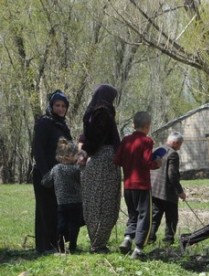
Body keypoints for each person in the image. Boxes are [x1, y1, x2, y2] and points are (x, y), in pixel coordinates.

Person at [114, 111, 162, 259]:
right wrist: (157, 163)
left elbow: (117, 160)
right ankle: (139, 248)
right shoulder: (147, 141)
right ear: (147, 126)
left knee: (132, 214)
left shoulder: (126, 140)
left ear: (133, 124)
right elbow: (147, 162)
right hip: (142, 186)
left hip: (128, 185)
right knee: (144, 216)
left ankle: (128, 238)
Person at [81, 84, 121, 253]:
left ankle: (96, 241)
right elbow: (96, 137)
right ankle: (99, 243)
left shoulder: (91, 113)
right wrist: (88, 148)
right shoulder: (103, 113)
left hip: (94, 161)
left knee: (94, 200)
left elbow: (88, 136)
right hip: (105, 161)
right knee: (105, 202)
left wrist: (85, 150)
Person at [32, 90, 72, 253]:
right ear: (51, 106)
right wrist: (46, 174)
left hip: (60, 174)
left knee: (56, 210)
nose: (60, 109)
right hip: (44, 173)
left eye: (63, 106)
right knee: (45, 210)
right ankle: (45, 246)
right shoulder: (45, 122)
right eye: (57, 105)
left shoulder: (62, 125)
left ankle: (56, 244)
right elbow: (38, 149)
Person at [41, 138, 83, 253]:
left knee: (61, 225)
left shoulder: (56, 169)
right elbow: (82, 181)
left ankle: (61, 246)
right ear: (69, 156)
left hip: (62, 203)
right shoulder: (76, 169)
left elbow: (46, 182)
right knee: (74, 226)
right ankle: (72, 246)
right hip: (76, 203)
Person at [150, 131, 187, 245]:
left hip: (154, 190)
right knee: (172, 218)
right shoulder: (173, 154)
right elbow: (172, 175)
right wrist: (180, 191)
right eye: (180, 144)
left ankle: (149, 238)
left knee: (155, 217)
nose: (179, 147)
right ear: (175, 143)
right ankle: (168, 240)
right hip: (167, 192)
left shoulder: (156, 150)